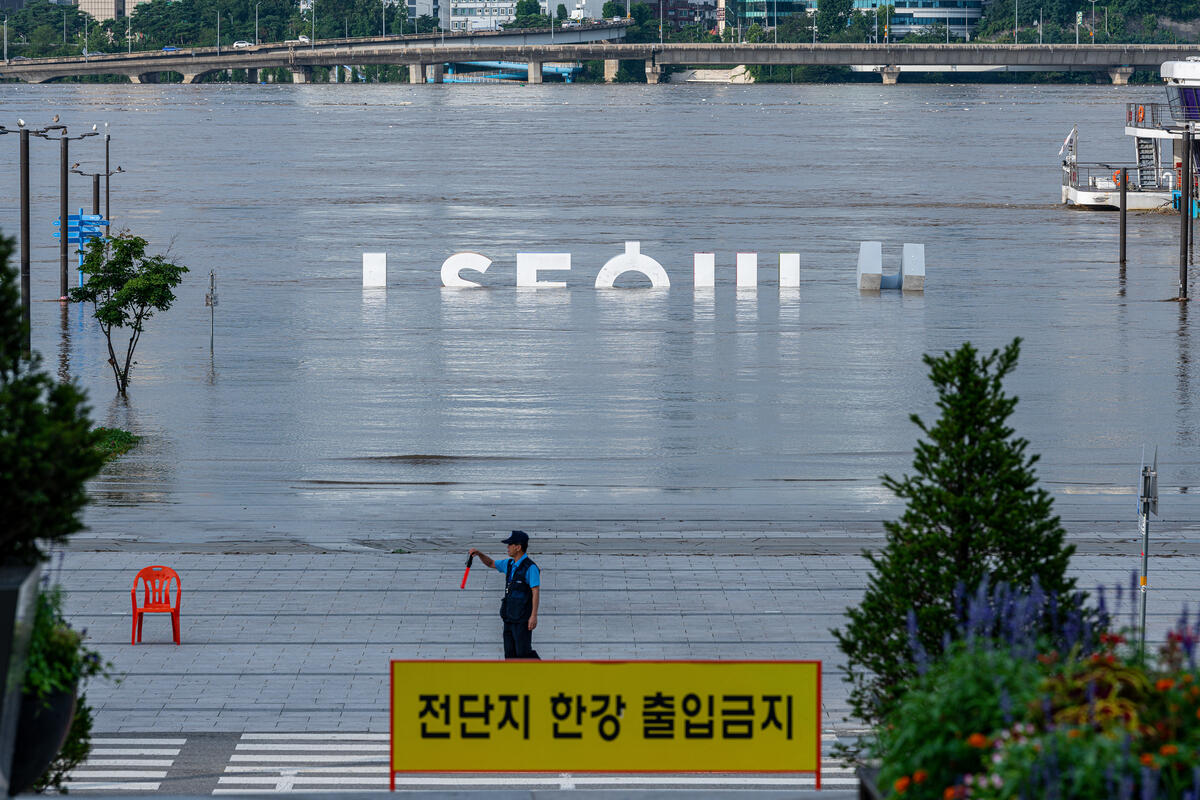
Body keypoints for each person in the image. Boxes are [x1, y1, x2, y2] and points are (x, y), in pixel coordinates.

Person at [468, 531, 540, 659]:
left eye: (510, 545)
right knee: (510, 654)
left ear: (518, 547)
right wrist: (479, 554)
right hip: (508, 617)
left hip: (522, 619)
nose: (507, 547)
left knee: (523, 652)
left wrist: (533, 616)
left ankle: (544, 671)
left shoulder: (530, 567)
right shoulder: (509, 564)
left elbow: (535, 591)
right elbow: (491, 563)